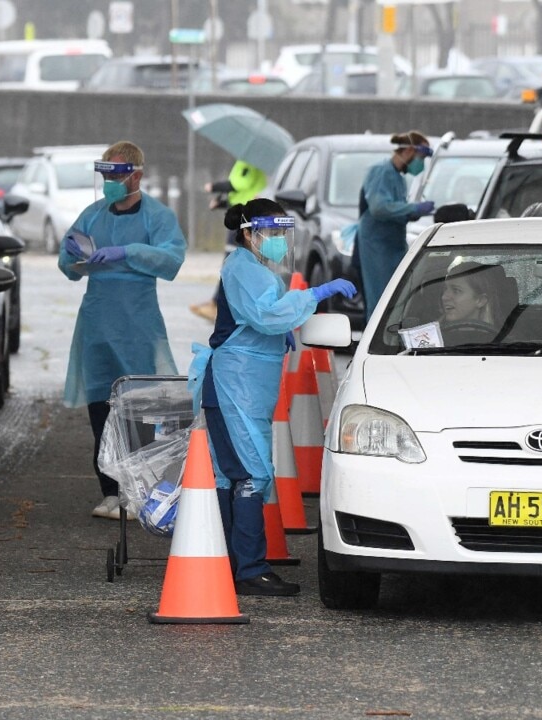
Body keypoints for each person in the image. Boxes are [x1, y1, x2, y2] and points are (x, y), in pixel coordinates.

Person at [190, 198, 356, 596]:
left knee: (237, 475)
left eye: (284, 233)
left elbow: (263, 317)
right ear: (248, 233)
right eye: (272, 233)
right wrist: (314, 294)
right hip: (234, 386)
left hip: (242, 388)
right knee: (251, 475)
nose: (280, 240)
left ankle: (233, 563)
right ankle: (249, 569)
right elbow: (265, 316)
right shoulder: (244, 268)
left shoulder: (254, 268)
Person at [57, 141, 186, 520]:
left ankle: (139, 490)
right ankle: (110, 492)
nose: (109, 182)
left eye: (116, 175)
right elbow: (68, 263)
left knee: (140, 409)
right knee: (101, 407)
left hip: (138, 324)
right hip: (98, 321)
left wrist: (127, 251)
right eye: (105, 175)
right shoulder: (93, 215)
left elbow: (172, 258)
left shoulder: (158, 217)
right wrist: (74, 255)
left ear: (136, 175)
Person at [357, 131, 435, 321]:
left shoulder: (398, 177)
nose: (421, 163)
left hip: (393, 244)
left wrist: (411, 213)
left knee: (396, 298)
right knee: (380, 299)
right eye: (421, 158)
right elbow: (379, 207)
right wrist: (413, 207)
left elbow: (395, 209)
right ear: (409, 151)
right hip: (377, 245)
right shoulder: (381, 170)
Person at [191, 160, 268, 322]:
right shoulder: (250, 163)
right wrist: (222, 203)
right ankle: (218, 304)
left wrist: (214, 186)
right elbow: (242, 193)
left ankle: (220, 306)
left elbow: (239, 184)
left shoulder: (249, 163)